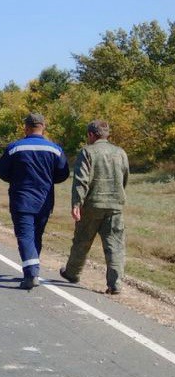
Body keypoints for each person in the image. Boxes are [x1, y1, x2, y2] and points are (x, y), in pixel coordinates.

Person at [0, 112, 70, 289]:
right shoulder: (55, 149)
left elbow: (1, 171)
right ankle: (32, 270)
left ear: (26, 127)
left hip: (22, 199)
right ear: (43, 127)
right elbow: (63, 174)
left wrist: (16, 179)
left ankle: (31, 274)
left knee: (25, 236)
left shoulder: (15, 148)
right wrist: (47, 180)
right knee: (36, 236)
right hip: (45, 200)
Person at [60, 120, 129, 294]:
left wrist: (77, 203)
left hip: (92, 205)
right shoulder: (120, 152)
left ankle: (72, 273)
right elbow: (124, 178)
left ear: (91, 135)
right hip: (115, 205)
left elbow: (81, 180)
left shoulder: (87, 151)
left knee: (82, 241)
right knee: (115, 245)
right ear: (107, 135)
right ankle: (115, 284)